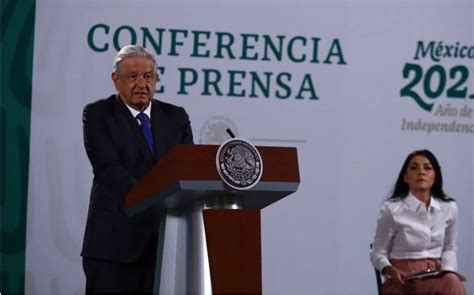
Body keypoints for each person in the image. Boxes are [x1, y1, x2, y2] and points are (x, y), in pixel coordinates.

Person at [81, 45, 193, 293]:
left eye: (148, 76)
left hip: (165, 247)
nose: (142, 83)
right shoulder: (98, 114)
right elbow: (110, 171)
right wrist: (161, 197)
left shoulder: (176, 117)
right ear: (116, 80)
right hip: (113, 248)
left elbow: (188, 172)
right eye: (133, 76)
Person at [370, 149, 466, 295]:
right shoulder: (391, 209)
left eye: (427, 168)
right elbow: (377, 252)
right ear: (406, 177)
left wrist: (448, 272)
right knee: (451, 284)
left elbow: (450, 247)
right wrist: (389, 270)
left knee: (451, 282)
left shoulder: (449, 207)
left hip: (437, 277)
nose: (421, 172)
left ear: (435, 176)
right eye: (414, 168)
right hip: (403, 280)